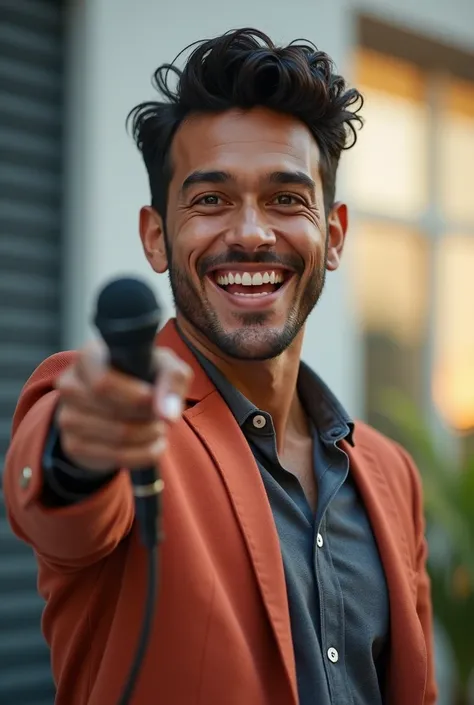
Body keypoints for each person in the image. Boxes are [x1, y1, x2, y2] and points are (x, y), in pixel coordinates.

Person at [4, 28, 437, 705]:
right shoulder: (121, 417)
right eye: (210, 199)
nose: (252, 232)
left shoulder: (392, 475)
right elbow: (63, 488)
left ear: (334, 236)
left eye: (286, 198)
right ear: (156, 235)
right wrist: (78, 448)